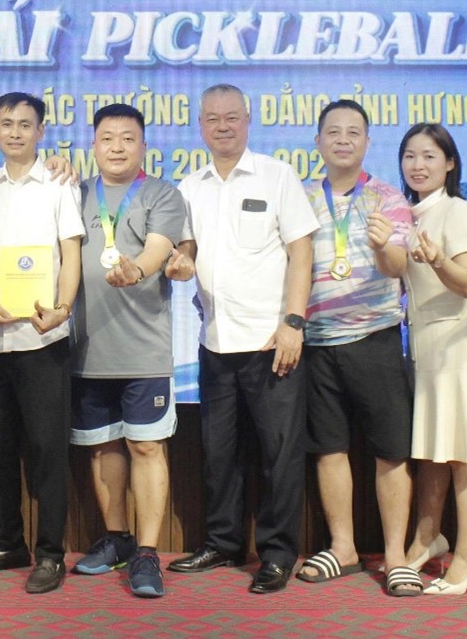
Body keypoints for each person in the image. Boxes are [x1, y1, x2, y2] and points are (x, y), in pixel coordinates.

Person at [169, 83, 318, 595]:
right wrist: (181, 263)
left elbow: (302, 252)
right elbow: (186, 250)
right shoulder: (190, 187)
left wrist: (293, 322)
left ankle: (277, 554)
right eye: (213, 118)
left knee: (280, 455)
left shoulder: (278, 176)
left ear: (248, 120)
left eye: (232, 117)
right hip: (215, 342)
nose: (223, 126)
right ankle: (222, 542)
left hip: (272, 342)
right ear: (200, 126)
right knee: (219, 454)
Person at [0, 92, 85, 595]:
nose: (15, 132)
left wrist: (63, 307)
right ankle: (8, 542)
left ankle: (51, 553)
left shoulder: (59, 184)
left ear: (41, 131)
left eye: (25, 124)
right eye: (6, 123)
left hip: (43, 338)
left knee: (47, 451)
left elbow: (71, 255)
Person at [296, 100, 420, 596]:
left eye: (353, 132)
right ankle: (343, 547)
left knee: (391, 451)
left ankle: (396, 557)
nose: (343, 140)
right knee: (330, 448)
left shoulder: (387, 198)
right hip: (317, 340)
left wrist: (383, 244)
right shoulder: (301, 197)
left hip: (376, 337)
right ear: (318, 142)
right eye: (333, 132)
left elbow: (397, 267)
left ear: (367, 142)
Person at [69, 103, 193, 598]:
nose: (117, 147)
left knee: (145, 446)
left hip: (144, 350)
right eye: (107, 138)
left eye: (127, 138)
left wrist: (137, 270)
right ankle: (116, 537)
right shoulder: (75, 193)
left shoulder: (162, 193)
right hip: (86, 349)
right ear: (93, 145)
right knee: (102, 446)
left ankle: (146, 551)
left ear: (143, 146)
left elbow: (160, 247)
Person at [398, 123, 467, 596]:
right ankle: (427, 539)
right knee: (434, 451)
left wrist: (438, 259)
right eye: (410, 156)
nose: (418, 165)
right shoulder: (408, 216)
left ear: (450, 163)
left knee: (463, 454)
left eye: (429, 156)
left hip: (457, 346)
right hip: (425, 346)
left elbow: (465, 283)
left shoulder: (458, 211)